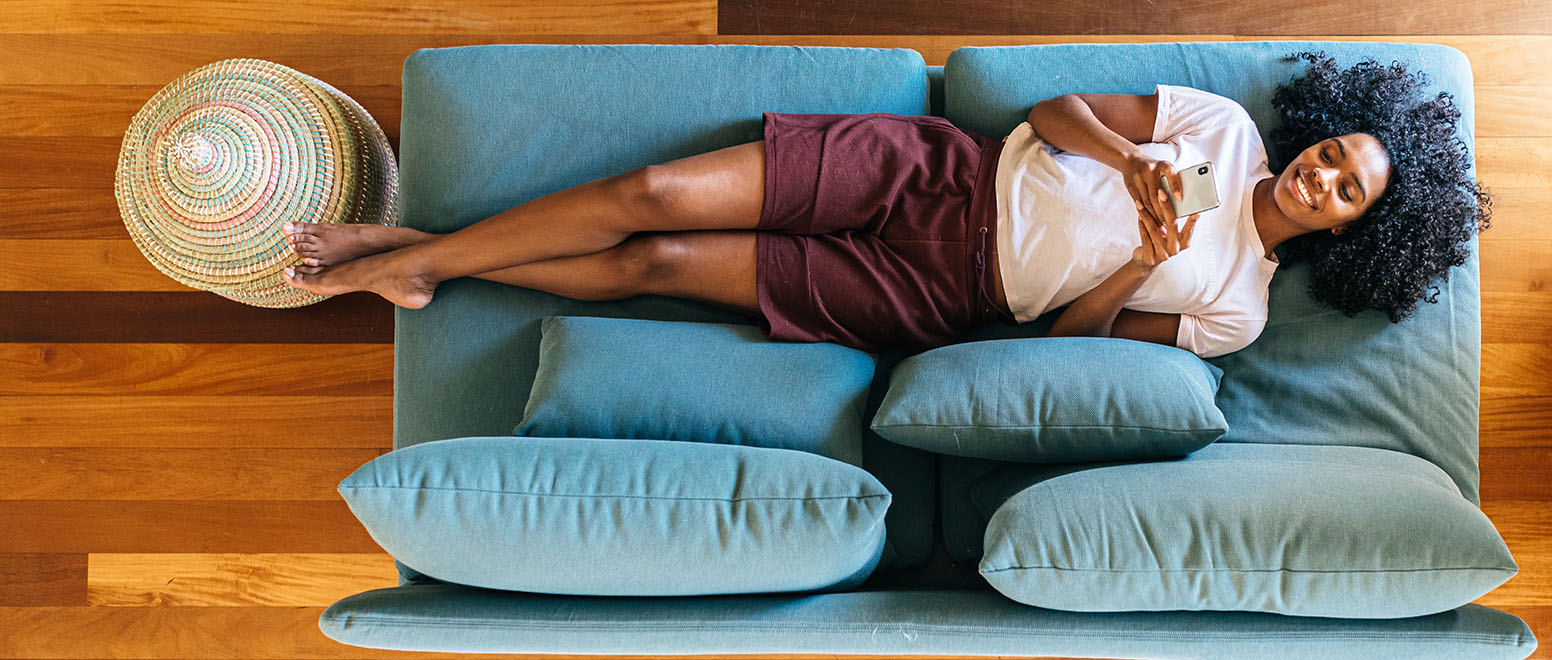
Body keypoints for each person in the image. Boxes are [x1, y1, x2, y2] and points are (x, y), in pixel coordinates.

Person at [281, 50, 1490, 357]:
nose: (1319, 172)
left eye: (1345, 187)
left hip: (937, 292)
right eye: (1332, 148)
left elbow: (1065, 348)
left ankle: (421, 259)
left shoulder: (1236, 311)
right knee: (651, 191)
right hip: (936, 172)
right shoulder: (1218, 130)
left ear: (1347, 227)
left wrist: (1135, 262)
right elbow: (1057, 109)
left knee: (657, 261)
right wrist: (1130, 170)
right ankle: (412, 251)